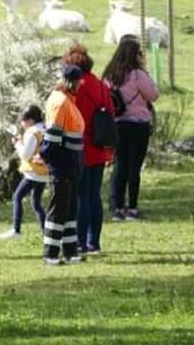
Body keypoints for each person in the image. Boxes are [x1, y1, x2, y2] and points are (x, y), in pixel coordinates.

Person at [65, 44, 115, 254]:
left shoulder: (76, 88)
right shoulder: (101, 85)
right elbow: (110, 113)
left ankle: (80, 241)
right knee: (94, 195)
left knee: (81, 196)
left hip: (80, 146)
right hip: (99, 145)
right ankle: (94, 241)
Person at [102, 38, 160, 221]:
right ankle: (132, 208)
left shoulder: (109, 75)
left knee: (120, 166)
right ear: (136, 55)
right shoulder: (137, 75)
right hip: (138, 124)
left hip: (117, 124)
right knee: (134, 167)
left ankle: (118, 207)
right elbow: (153, 95)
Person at [40, 65, 86, 265]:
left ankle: (69, 250)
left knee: (69, 209)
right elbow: (53, 137)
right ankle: (50, 253)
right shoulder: (60, 102)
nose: (79, 85)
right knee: (58, 209)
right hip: (62, 163)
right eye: (77, 82)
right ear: (70, 82)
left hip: (72, 162)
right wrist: (48, 159)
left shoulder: (67, 100)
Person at [0, 105, 49, 240]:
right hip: (44, 172)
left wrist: (17, 144)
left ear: (31, 120)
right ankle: (46, 232)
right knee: (36, 203)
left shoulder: (31, 132)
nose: (22, 123)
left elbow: (26, 155)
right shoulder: (45, 129)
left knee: (17, 197)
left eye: (24, 120)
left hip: (33, 172)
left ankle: (16, 230)